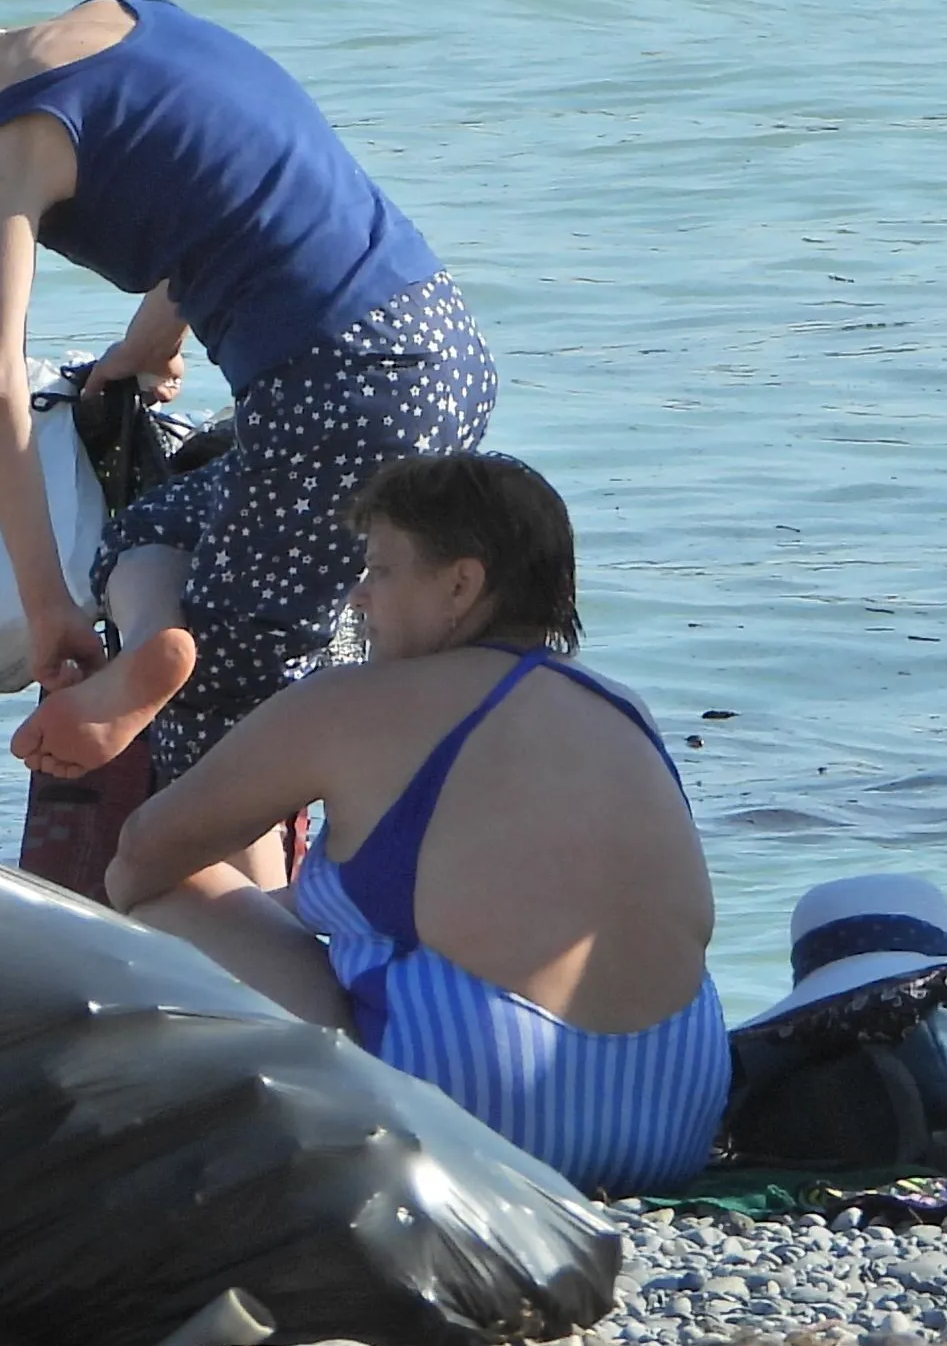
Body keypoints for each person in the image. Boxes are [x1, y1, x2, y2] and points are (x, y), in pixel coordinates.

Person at [0, 0, 494, 892]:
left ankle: (264, 989)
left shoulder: (5, 146)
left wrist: (47, 610)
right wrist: (142, 349)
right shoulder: (122, 22)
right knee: (153, 532)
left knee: (222, 728)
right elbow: (231, 195)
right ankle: (154, 653)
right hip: (437, 346)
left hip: (335, 388)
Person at [104, 454, 727, 1192]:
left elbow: (142, 855)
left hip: (482, 1123)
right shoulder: (620, 707)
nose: (359, 600)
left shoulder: (359, 702)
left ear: (461, 583)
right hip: (677, 1115)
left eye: (379, 572)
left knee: (172, 891)